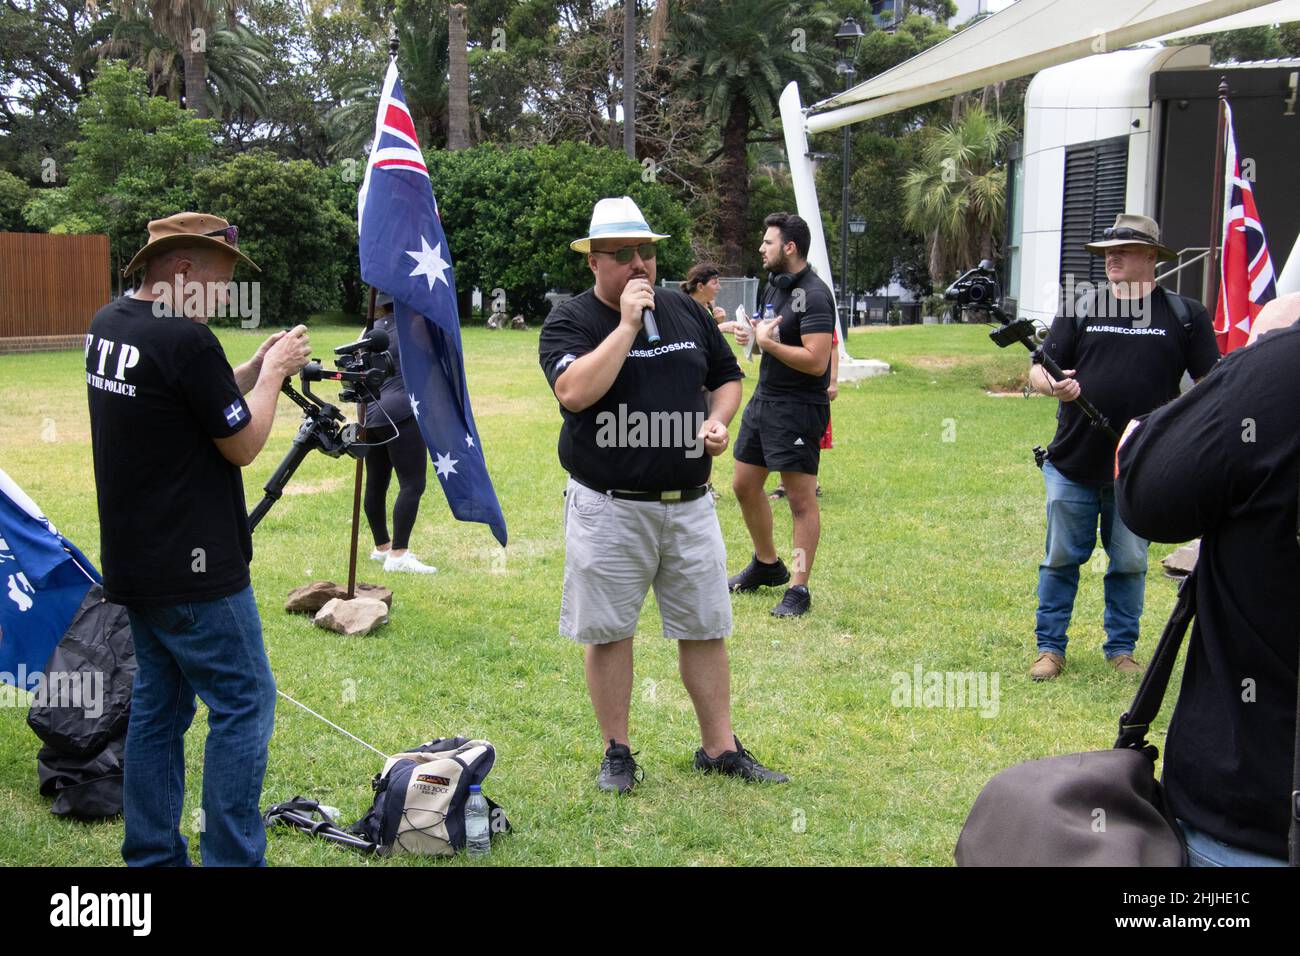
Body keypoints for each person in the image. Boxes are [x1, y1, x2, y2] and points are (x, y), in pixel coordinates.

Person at [538, 195, 789, 793]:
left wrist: (720, 420)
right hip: (609, 504)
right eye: (623, 255)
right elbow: (573, 392)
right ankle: (617, 751)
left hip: (689, 503)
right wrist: (626, 326)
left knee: (704, 625)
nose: (639, 265)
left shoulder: (683, 309)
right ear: (594, 262)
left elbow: (726, 376)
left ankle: (719, 748)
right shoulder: (570, 320)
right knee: (609, 631)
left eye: (646, 252)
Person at [85, 212, 311, 865]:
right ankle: (233, 858)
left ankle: (152, 854)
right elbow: (241, 443)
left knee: (161, 705)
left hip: (136, 564)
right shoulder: (185, 340)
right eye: (220, 283)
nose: (224, 297)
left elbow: (189, 396)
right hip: (195, 569)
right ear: (182, 271)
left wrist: (250, 366)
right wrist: (273, 379)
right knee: (245, 700)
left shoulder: (111, 326)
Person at [1115, 294, 1300, 866]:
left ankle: (1117, 643)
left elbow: (1149, 490)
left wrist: (1269, 349)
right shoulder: (1085, 311)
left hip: (1254, 815)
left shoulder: (1205, 324)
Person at [1026, 213, 1220, 681]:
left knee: (1130, 562)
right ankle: (1050, 650)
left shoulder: (1184, 314)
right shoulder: (1080, 306)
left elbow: (1212, 385)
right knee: (1060, 558)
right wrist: (1054, 386)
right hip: (1072, 460)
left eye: (1124, 250)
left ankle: (1121, 650)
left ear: (1151, 257)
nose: (1111, 257)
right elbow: (1037, 372)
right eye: (1107, 251)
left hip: (1141, 464)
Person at [729, 212, 835, 617]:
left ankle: (799, 588)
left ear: (789, 247)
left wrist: (767, 345)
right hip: (765, 399)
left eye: (768, 242)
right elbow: (768, 332)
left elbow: (816, 360)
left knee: (799, 499)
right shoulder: (775, 285)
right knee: (743, 483)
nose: (761, 248)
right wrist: (751, 338)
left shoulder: (815, 294)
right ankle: (767, 564)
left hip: (798, 407)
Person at [363, 291, 436, 574]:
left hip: (371, 412)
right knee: (412, 483)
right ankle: (399, 554)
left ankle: (382, 547)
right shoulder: (415, 326)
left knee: (376, 482)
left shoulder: (371, 329)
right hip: (403, 410)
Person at [681, 262, 734, 333]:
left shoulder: (709, 307)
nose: (719, 287)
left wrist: (718, 321)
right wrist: (720, 328)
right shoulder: (684, 309)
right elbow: (691, 336)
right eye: (715, 283)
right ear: (700, 287)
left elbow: (711, 340)